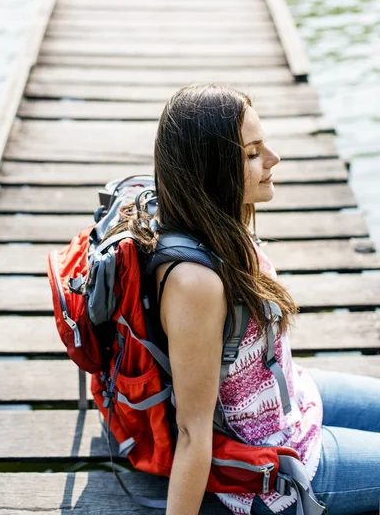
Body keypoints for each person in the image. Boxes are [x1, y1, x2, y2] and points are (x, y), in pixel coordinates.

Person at [135, 83, 380, 515]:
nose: (273, 160)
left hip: (290, 396)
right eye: (252, 153)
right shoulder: (195, 283)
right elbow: (192, 432)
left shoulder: (216, 221)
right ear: (212, 170)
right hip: (276, 464)